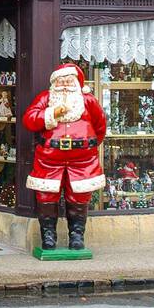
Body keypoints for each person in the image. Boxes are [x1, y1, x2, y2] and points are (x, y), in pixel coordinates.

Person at [22, 62, 107, 252]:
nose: (65, 85)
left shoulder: (88, 101)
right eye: (61, 81)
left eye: (69, 81)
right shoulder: (46, 98)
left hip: (82, 161)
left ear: (76, 82)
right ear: (54, 83)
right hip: (49, 159)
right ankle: (48, 237)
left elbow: (100, 125)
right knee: (46, 196)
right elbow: (29, 119)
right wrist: (51, 113)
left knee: (78, 197)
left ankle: (77, 236)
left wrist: (87, 145)